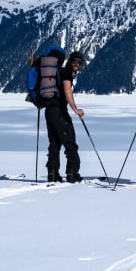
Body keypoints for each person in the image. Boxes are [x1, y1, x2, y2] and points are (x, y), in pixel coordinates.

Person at [44, 49, 86, 183]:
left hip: (49, 111)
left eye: (79, 63)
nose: (77, 65)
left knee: (55, 142)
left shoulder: (59, 71)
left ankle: (53, 173)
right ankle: (72, 173)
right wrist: (75, 109)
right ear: (69, 61)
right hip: (59, 111)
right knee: (70, 142)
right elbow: (67, 90)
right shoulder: (66, 73)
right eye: (75, 62)